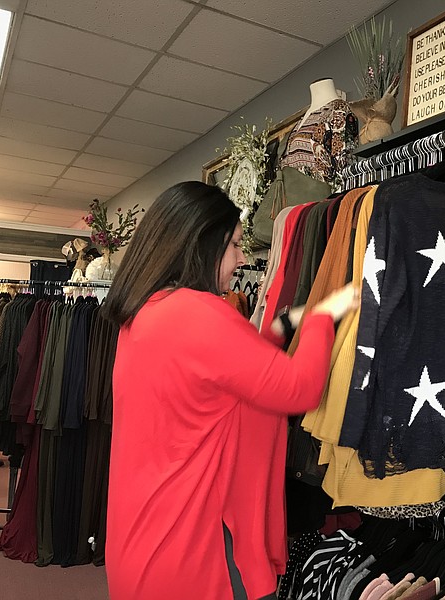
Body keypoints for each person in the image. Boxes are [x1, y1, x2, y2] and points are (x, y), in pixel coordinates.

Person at [102, 181, 358, 600]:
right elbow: (299, 389)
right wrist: (321, 318)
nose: (242, 258)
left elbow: (225, 376)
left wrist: (283, 328)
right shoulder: (200, 313)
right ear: (202, 245)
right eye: (235, 244)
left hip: (143, 540)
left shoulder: (148, 312)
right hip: (197, 551)